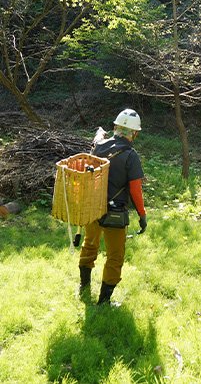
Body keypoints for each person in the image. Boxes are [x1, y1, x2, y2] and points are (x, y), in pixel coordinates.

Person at [79, 109, 147, 305]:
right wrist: (142, 215)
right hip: (115, 213)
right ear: (134, 133)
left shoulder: (98, 146)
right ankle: (104, 302)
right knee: (115, 256)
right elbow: (135, 190)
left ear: (116, 127)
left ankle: (83, 289)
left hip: (92, 208)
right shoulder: (131, 155)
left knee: (89, 245)